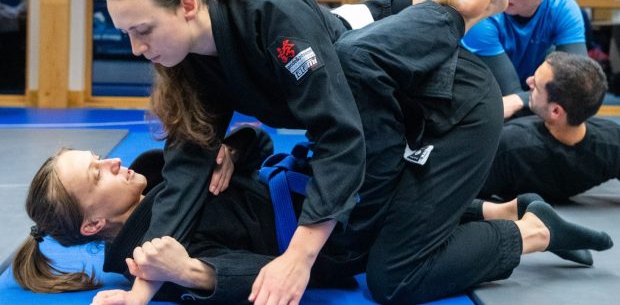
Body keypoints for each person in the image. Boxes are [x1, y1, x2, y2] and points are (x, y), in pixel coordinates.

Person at [98, 0, 546, 303]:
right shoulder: (192, 65)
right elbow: (186, 173)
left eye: (144, 30)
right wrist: (141, 291)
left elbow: (339, 134)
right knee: (352, 56)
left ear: (188, 5)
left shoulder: (269, 16)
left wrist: (299, 256)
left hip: (450, 108)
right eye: (127, 34)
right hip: (386, 118)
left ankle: (529, 232)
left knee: (396, 278)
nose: (137, 49)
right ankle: (448, 0)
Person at [12, 130, 612, 303]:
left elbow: (255, 140)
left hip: (325, 188)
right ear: (94, 225)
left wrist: (235, 148)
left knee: (396, 260)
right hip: (330, 233)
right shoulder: (150, 258)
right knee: (389, 275)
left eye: (100, 158)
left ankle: (514, 217)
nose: (113, 164)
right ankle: (527, 228)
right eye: (97, 176)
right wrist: (189, 273)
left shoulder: (166, 166)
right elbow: (259, 273)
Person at [461, 0, 588, 119]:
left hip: (531, 101)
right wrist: (536, 96)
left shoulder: (564, 8)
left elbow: (578, 84)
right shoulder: (483, 10)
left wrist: (522, 99)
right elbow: (508, 93)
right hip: (476, 104)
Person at [480, 51, 620, 202]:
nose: (528, 81)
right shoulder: (612, 144)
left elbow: (460, 201)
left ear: (555, 111)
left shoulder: (508, 146)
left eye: (536, 86)